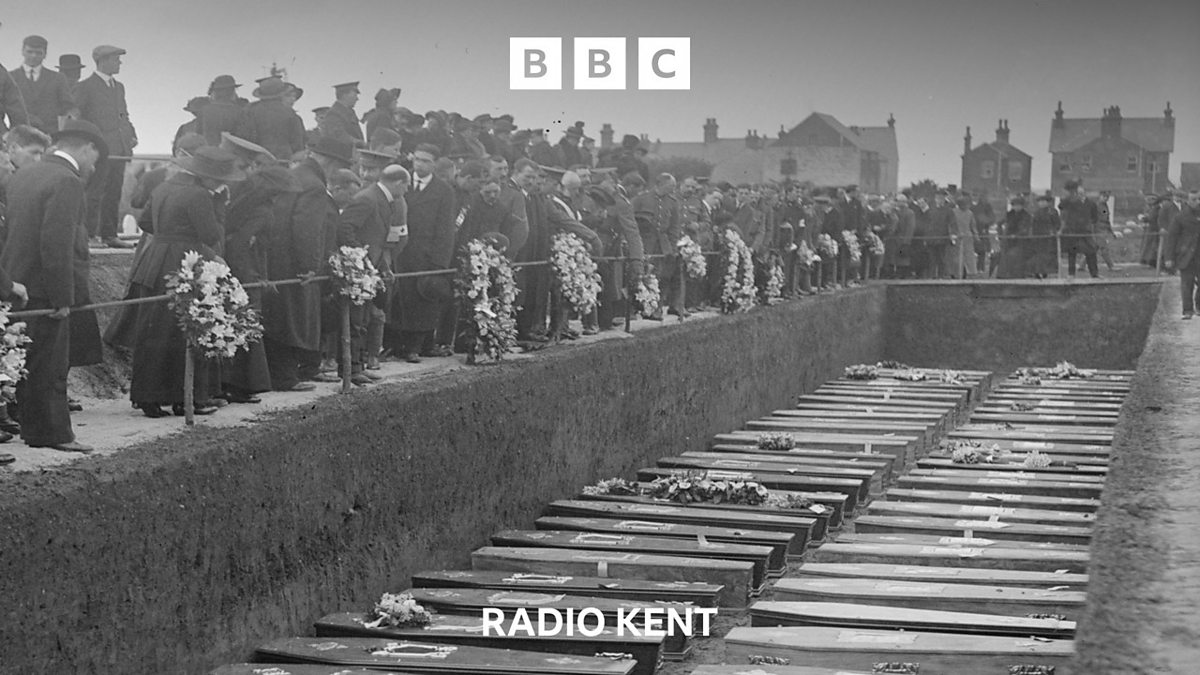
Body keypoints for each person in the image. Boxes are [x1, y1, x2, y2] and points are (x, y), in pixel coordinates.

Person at [0, 119, 106, 452]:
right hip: (46, 288)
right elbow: (57, 243)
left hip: (20, 281)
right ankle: (52, 434)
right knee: (49, 365)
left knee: (28, 361)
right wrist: (63, 297)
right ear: (87, 148)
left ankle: (32, 428)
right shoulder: (67, 181)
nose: (93, 166)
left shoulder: (23, 175)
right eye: (95, 158)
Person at [127, 146, 245, 417]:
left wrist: (168, 233)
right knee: (186, 331)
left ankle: (147, 397)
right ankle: (185, 399)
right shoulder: (200, 195)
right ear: (208, 176)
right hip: (184, 262)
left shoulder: (163, 186)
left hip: (154, 261)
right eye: (220, 179)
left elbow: (145, 222)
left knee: (153, 332)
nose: (221, 184)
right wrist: (218, 207)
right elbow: (211, 234)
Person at [263, 136, 351, 390]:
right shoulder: (314, 186)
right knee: (294, 319)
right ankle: (286, 378)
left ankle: (281, 375)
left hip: (274, 258)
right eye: (337, 166)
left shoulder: (294, 175)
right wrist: (309, 266)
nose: (335, 172)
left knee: (279, 317)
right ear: (329, 161)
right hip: (295, 264)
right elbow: (307, 229)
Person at [394, 143, 456, 362]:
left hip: (426, 255)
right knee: (399, 299)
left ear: (435, 164)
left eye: (426, 161)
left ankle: (417, 346)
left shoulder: (444, 191)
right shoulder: (401, 182)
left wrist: (439, 262)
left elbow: (445, 229)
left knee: (423, 301)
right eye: (417, 159)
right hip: (401, 252)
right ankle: (397, 345)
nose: (419, 164)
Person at [73, 45, 136, 248]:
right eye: (116, 59)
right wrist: (89, 143)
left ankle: (109, 235)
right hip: (98, 150)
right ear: (103, 61)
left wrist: (131, 135)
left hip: (119, 150)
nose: (119, 63)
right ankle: (89, 235)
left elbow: (123, 115)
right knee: (95, 192)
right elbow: (77, 117)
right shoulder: (85, 87)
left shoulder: (119, 87)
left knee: (113, 193)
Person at [633, 173, 683, 318]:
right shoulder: (641, 199)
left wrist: (672, 247)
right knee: (644, 275)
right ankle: (641, 308)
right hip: (645, 242)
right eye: (671, 186)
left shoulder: (673, 202)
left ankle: (657, 308)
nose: (673, 189)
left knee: (662, 277)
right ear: (660, 184)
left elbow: (674, 227)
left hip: (663, 244)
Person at [9, 35, 75, 136]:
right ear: (22, 51)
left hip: (50, 134)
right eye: (30, 52)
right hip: (20, 134)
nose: (33, 56)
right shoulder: (10, 77)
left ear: (45, 54)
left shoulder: (58, 78)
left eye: (38, 53)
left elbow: (68, 106)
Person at [236, 77, 306, 161]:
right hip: (284, 160)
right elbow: (298, 144)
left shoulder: (249, 111)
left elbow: (243, 137)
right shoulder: (290, 114)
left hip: (257, 160)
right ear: (282, 93)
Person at [1163, 190, 1200, 319]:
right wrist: (1169, 258)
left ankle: (1199, 306)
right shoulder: (1180, 217)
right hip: (1186, 256)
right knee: (1186, 284)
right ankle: (1188, 310)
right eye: (1194, 199)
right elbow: (1172, 238)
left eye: (1199, 199)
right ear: (1188, 201)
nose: (1197, 202)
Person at [1058, 180, 1099, 278]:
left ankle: (1094, 273)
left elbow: (1095, 217)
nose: (1079, 195)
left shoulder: (1091, 204)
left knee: (1091, 251)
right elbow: (1061, 207)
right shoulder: (1069, 202)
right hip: (1073, 231)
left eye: (1081, 193)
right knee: (1072, 252)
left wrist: (1088, 224)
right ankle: (1071, 273)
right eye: (1077, 193)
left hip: (1085, 231)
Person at [199, 75, 243, 146]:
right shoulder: (240, 111)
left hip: (209, 149)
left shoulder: (205, 110)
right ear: (231, 91)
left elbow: (198, 134)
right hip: (232, 149)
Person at [996, 195, 1031, 279]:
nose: (1016, 207)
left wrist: (1017, 235)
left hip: (1020, 240)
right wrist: (1001, 234)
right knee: (1005, 257)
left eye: (1018, 205)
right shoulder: (1009, 214)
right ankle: (1004, 275)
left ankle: (1017, 275)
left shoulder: (1026, 215)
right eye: (1014, 205)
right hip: (1008, 240)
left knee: (1017, 257)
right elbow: (999, 223)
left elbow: (1025, 228)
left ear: (1022, 206)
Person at [319, 81, 363, 146]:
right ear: (345, 95)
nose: (357, 99)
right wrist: (359, 142)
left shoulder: (349, 113)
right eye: (355, 95)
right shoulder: (333, 114)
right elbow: (338, 136)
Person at [1028, 193, 1060, 279]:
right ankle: (1037, 272)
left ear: (1048, 202)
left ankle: (1048, 272)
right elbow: (1033, 225)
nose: (1041, 203)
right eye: (1040, 202)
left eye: (1043, 201)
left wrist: (1053, 232)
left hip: (1049, 238)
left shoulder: (1053, 212)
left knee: (1048, 255)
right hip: (1038, 237)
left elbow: (1057, 224)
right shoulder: (1036, 213)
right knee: (1038, 255)